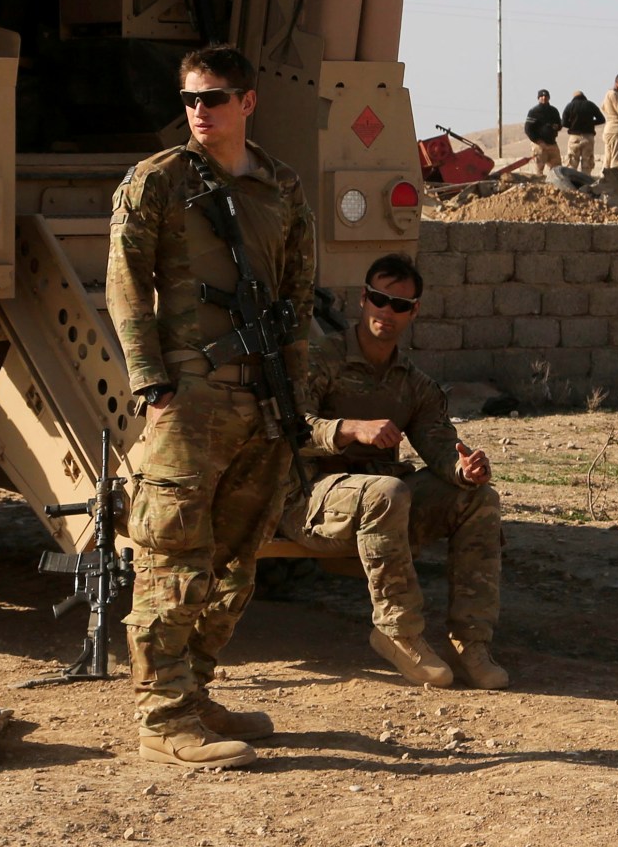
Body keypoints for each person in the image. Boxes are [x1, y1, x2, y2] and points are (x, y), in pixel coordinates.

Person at [108, 43, 317, 769]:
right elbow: (125, 284)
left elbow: (297, 300)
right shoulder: (158, 181)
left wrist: (296, 405)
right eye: (191, 98)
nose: (200, 111)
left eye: (215, 98)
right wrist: (151, 382)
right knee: (169, 554)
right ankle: (161, 717)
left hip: (261, 406)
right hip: (191, 400)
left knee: (234, 563)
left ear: (248, 102)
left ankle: (194, 692)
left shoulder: (282, 187)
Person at [279, 254, 507, 690]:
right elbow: (288, 430)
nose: (388, 312)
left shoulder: (414, 383)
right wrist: (349, 430)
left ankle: (472, 642)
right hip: (308, 500)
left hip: (382, 506)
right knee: (387, 492)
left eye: (400, 305)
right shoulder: (321, 360)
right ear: (363, 300)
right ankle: (398, 632)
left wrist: (464, 469)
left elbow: (440, 445)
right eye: (380, 300)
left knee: (479, 499)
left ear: (414, 311)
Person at [560, 90, 604, 173]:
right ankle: (585, 183)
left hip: (574, 137)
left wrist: (572, 125)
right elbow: (602, 119)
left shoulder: (570, 106)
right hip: (588, 137)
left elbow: (563, 123)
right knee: (587, 162)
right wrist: (591, 123)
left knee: (572, 162)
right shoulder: (591, 105)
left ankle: (572, 182)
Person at [598, 73, 618, 172]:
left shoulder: (608, 94)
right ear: (617, 82)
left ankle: (605, 178)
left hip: (609, 128)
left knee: (608, 156)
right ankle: (613, 178)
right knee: (616, 157)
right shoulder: (613, 94)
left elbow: (602, 106)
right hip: (615, 129)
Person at [523, 90, 563, 169]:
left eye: (546, 96)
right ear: (538, 98)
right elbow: (528, 129)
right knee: (539, 169)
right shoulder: (534, 112)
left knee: (558, 169)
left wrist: (557, 127)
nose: (544, 98)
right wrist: (537, 140)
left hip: (552, 143)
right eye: (541, 96)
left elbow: (559, 124)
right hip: (539, 145)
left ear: (549, 98)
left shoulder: (554, 111)